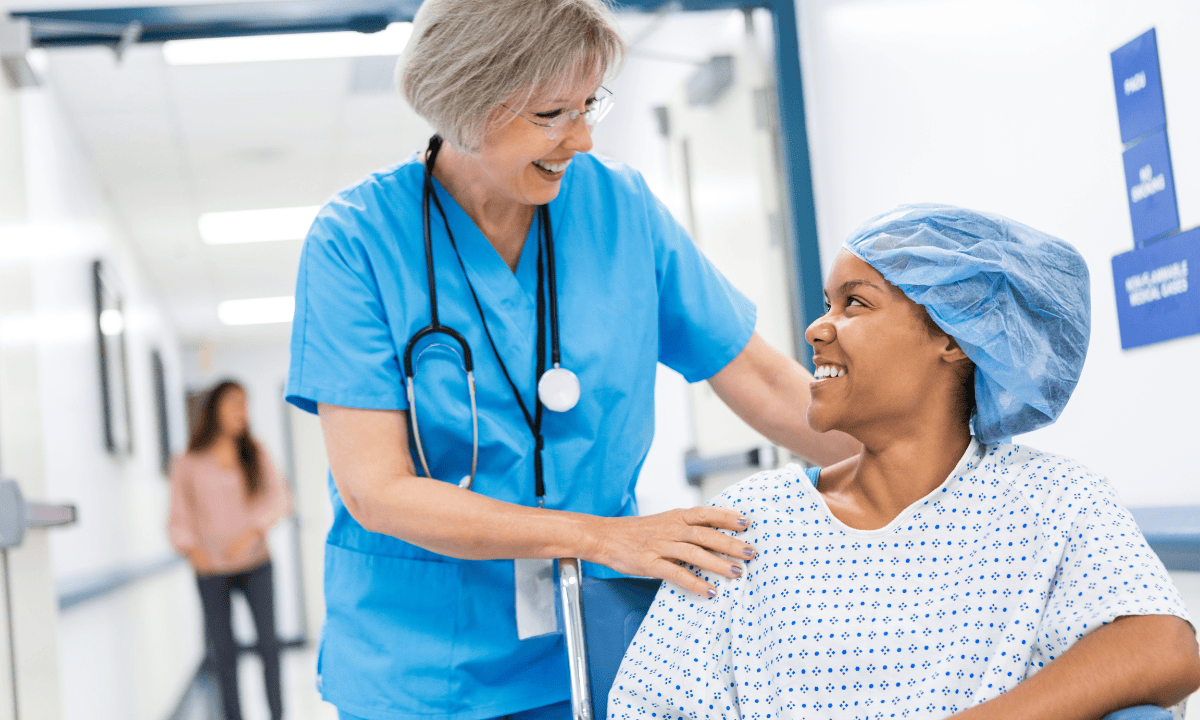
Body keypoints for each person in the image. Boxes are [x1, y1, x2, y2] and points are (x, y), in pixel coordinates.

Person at [284, 0, 859, 717]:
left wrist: (924, 456)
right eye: (552, 114)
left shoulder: (618, 209)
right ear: (467, 107)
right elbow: (377, 489)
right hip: (425, 669)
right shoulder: (357, 242)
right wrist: (600, 538)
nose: (582, 139)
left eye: (590, 104)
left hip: (599, 638)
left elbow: (764, 382)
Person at [609, 205, 1200, 720]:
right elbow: (650, 705)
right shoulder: (750, 520)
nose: (817, 328)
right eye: (826, 305)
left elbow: (1161, 644)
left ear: (954, 336)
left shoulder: (1053, 502)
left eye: (855, 304)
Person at [169, 380, 292, 720]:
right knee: (224, 654)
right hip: (210, 571)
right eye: (235, 403)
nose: (242, 412)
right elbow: (179, 517)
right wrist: (192, 550)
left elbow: (280, 498)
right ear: (214, 409)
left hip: (256, 564)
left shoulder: (256, 452)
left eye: (246, 404)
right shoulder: (188, 462)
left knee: (269, 646)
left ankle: (278, 714)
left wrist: (254, 529)